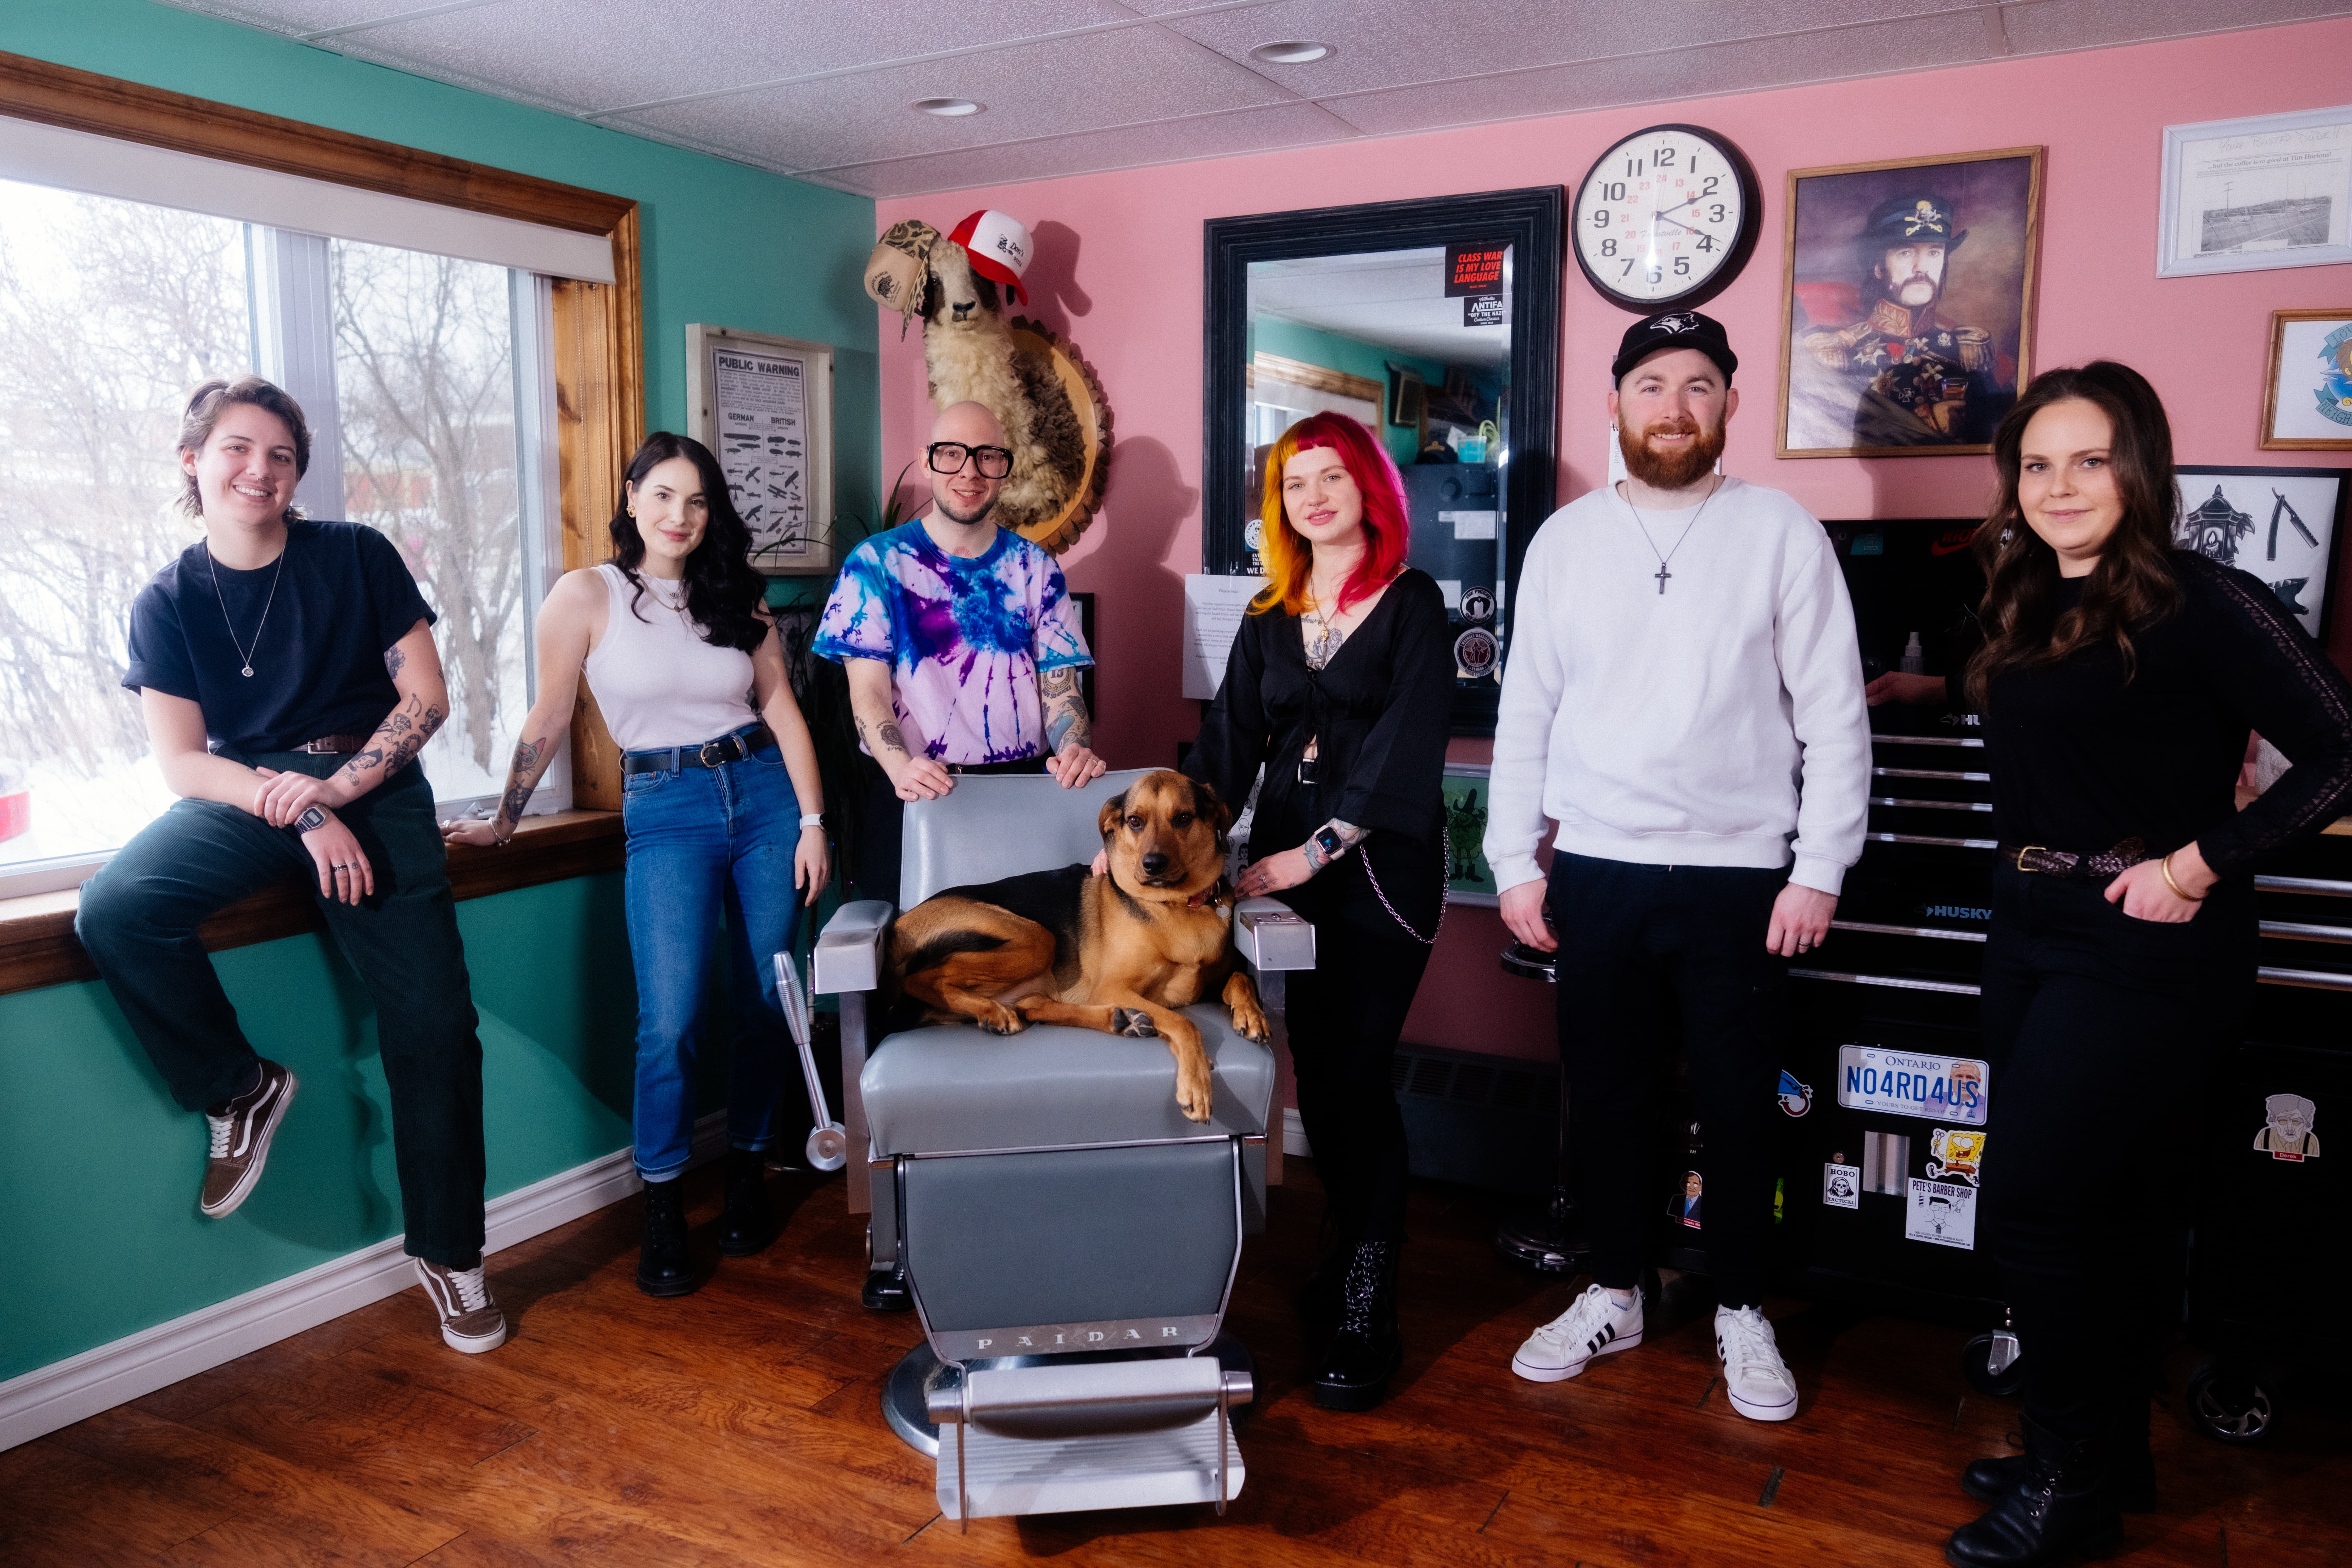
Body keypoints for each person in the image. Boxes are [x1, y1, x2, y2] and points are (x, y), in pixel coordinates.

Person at [1925, 362, 2352, 1566]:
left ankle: (2069, 1484)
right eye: (2036, 464)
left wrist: (2200, 862)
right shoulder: (2023, 596)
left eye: (2088, 460)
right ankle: (2107, 1455)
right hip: (2029, 928)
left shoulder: (2202, 598)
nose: (2058, 486)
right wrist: (1913, 686)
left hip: (2148, 941)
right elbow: (2067, 727)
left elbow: (2341, 750)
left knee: (2032, 1203)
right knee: (2099, 1209)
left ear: (2140, 470)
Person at [1486, 311, 1871, 1423]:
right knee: (1606, 1100)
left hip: (1738, 878)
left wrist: (1819, 866)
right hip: (1595, 869)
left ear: (1728, 406)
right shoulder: (1563, 542)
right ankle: (1614, 1290)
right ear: (1614, 403)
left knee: (1741, 1106)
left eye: (1697, 385)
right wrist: (1513, 860)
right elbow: (1525, 713)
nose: (1672, 406)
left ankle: (1740, 1305)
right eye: (1650, 385)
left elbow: (1835, 717)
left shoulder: (1780, 530)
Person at [75, 376, 506, 1354]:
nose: (258, 469)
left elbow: (426, 700)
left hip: (372, 786)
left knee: (435, 1027)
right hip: (254, 796)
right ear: (193, 460)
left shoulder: (354, 554)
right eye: (237, 447)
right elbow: (183, 763)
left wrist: (334, 793)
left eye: (279, 455)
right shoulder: (165, 601)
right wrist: (301, 808)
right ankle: (239, 1087)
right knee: (116, 908)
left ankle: (451, 1256)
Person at [444, 432, 828, 1298]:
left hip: (765, 798)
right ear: (630, 497)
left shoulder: (735, 595)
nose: (678, 516)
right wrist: (505, 819)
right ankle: (662, 1206)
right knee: (670, 1021)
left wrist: (813, 823)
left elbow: (783, 712)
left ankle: (748, 1172)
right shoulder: (587, 595)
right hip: (666, 808)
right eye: (662, 496)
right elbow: (548, 715)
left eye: (696, 501)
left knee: (767, 1002)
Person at [1183, 411, 1454, 1411]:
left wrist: (1310, 855)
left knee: (1353, 1074)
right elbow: (1226, 743)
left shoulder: (1413, 602)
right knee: (1317, 1074)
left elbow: (1404, 751)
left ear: (1368, 487)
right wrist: (1164, 849)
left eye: (1332, 477)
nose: (1313, 498)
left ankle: (1370, 1297)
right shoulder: (1269, 612)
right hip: (1282, 873)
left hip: (1378, 873)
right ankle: (1344, 1246)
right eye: (1295, 484)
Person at [815, 400, 1102, 913]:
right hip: (913, 791)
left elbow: (1061, 689)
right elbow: (868, 694)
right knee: (911, 952)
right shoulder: (875, 564)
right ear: (926, 461)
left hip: (1021, 795)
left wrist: (1075, 746)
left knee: (1026, 948)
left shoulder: (1036, 568)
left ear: (1004, 468)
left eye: (987, 456)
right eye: (952, 453)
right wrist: (900, 767)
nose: (969, 472)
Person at [1787, 192, 2015, 450]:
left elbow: (1995, 441)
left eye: (1934, 253)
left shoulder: (1965, 352)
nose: (1921, 267)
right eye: (1906, 253)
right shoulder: (1841, 350)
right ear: (1879, 267)